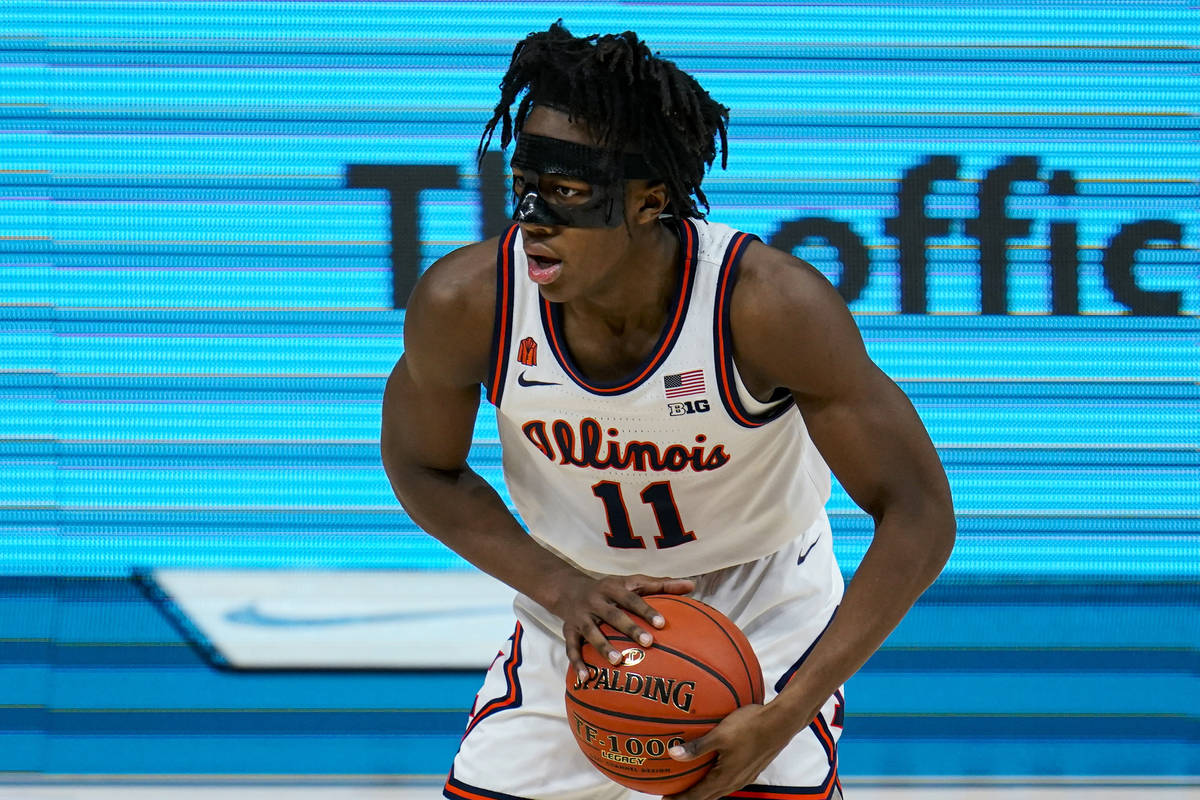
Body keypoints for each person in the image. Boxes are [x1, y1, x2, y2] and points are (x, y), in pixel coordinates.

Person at [381, 22, 955, 800]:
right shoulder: (468, 302)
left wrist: (791, 710)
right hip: (583, 603)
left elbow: (919, 513)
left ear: (651, 201)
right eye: (524, 185)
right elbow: (422, 466)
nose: (534, 217)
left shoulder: (766, 307)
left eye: (571, 193)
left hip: (759, 602)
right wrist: (557, 586)